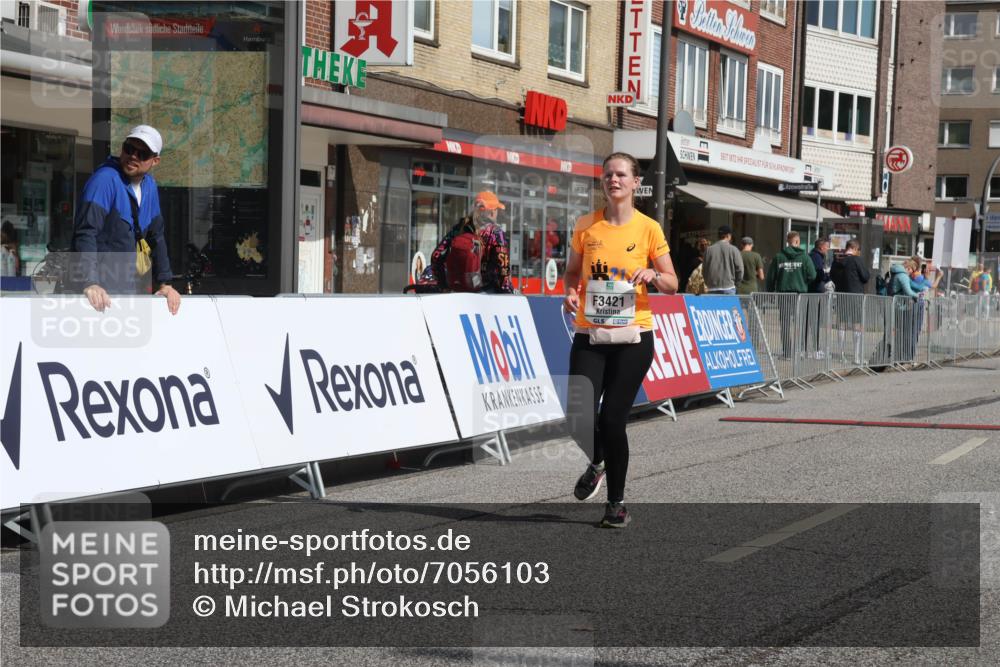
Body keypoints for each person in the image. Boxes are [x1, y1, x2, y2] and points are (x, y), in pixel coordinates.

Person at [562, 152, 678, 528]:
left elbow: (673, 284)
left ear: (634, 183)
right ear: (602, 181)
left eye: (621, 174)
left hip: (633, 336)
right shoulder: (586, 225)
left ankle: (616, 504)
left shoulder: (648, 229)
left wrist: (653, 274)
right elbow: (572, 274)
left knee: (612, 419)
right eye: (608, 174)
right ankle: (597, 461)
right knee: (578, 413)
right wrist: (570, 293)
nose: (613, 179)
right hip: (590, 333)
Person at [72, 125, 181, 314]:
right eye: (129, 149)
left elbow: (157, 237)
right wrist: (90, 283)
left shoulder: (150, 186)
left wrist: (165, 283)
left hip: (128, 292)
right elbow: (86, 232)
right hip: (97, 296)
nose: (133, 156)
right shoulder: (105, 180)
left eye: (143, 153)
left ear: (155, 161)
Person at [429, 191, 513, 294]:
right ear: (491, 212)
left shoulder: (459, 228)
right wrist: (507, 292)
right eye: (496, 209)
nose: (497, 213)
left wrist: (443, 285)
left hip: (457, 291)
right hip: (485, 294)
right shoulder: (495, 232)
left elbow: (436, 256)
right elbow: (503, 267)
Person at [766, 231, 817, 359]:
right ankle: (799, 351)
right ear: (798, 241)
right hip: (800, 294)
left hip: (783, 294)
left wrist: (770, 291)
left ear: (788, 241)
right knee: (800, 322)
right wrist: (803, 282)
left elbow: (771, 277)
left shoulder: (779, 257)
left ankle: (787, 352)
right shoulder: (805, 257)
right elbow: (813, 275)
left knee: (785, 323)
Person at [830, 239, 870, 363]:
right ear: (855, 249)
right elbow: (865, 276)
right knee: (856, 325)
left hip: (841, 295)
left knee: (841, 325)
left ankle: (841, 355)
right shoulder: (857, 260)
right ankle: (857, 356)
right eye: (858, 250)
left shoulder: (837, 261)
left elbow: (832, 277)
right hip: (855, 296)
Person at [701, 225, 743, 295]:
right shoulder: (734, 249)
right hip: (729, 287)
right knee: (729, 306)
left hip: (712, 287)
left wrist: (708, 283)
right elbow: (740, 269)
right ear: (728, 236)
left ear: (718, 236)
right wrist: (736, 284)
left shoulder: (708, 250)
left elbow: (704, 269)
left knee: (714, 306)